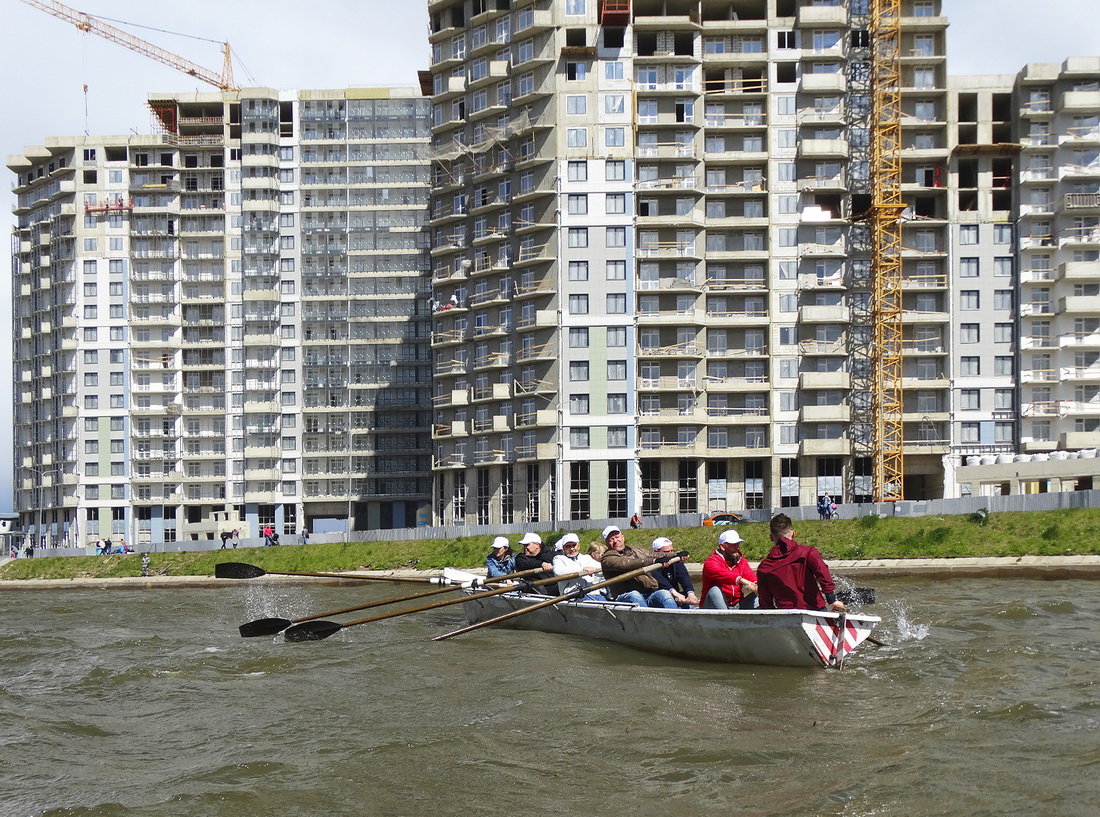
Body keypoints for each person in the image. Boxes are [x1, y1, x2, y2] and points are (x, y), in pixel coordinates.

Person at [757, 513, 848, 613]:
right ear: (793, 533)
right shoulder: (808, 552)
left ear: (771, 538)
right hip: (814, 611)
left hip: (786, 616)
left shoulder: (764, 568)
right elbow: (823, 573)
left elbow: (765, 603)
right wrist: (832, 600)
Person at [600, 525, 686, 606]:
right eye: (611, 539)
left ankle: (674, 619)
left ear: (623, 537)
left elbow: (654, 555)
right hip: (624, 596)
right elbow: (626, 563)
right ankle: (648, 619)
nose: (615, 541)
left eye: (617, 537)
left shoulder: (636, 550)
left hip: (648, 593)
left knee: (664, 593)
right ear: (606, 543)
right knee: (635, 595)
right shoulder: (607, 558)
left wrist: (676, 555)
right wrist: (653, 561)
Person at [700, 529, 758, 609]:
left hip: (737, 605)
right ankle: (726, 619)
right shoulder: (711, 562)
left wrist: (756, 585)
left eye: (738, 544)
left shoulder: (741, 561)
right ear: (723, 547)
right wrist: (741, 580)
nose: (737, 548)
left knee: (761, 593)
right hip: (712, 606)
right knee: (715, 591)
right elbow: (724, 575)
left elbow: (751, 576)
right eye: (733, 545)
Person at [551, 533, 606, 600]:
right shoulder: (558, 559)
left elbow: (601, 571)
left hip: (593, 593)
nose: (572, 548)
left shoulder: (587, 558)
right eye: (568, 546)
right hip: (573, 595)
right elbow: (558, 572)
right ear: (563, 548)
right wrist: (582, 569)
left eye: (574, 545)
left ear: (579, 546)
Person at [651, 536, 698, 608]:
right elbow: (661, 581)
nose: (670, 554)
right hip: (657, 596)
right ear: (656, 552)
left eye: (672, 551)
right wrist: (674, 593)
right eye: (666, 552)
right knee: (666, 594)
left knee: (688, 600)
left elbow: (684, 577)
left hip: (673, 596)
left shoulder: (675, 561)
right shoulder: (651, 564)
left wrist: (690, 593)